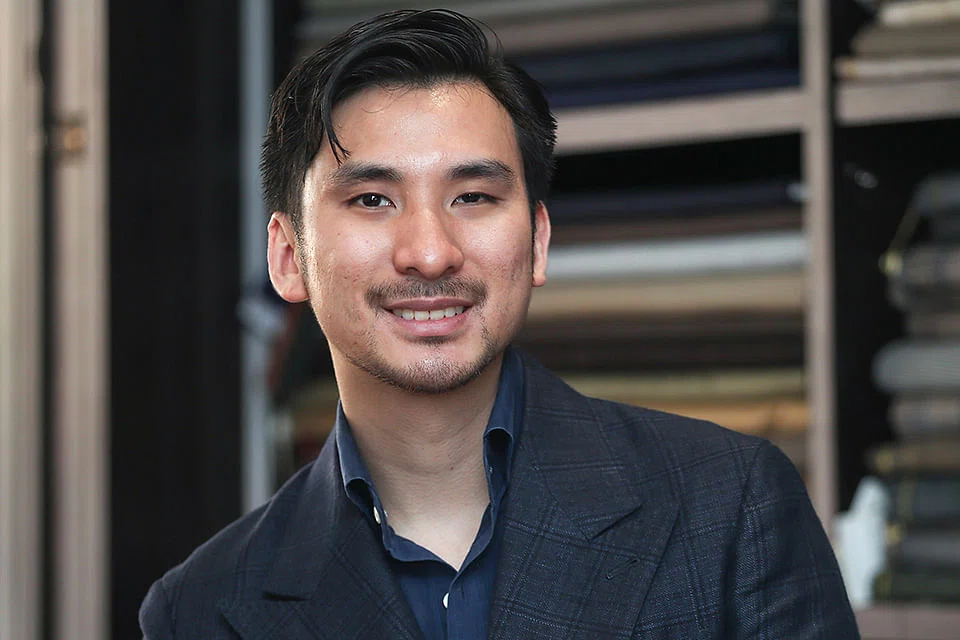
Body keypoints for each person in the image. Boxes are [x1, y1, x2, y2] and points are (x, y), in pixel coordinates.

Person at [140, 9, 860, 639]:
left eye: (474, 196)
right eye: (372, 200)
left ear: (538, 241)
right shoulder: (200, 608)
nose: (430, 252)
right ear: (288, 257)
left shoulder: (732, 507)